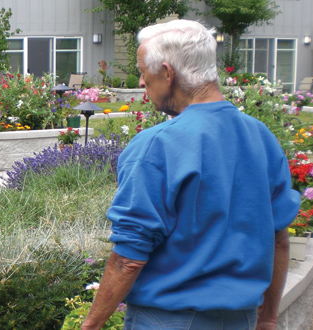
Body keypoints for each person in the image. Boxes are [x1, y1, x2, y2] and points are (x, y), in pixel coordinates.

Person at [82, 20, 300, 330]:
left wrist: (90, 325)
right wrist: (268, 319)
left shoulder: (157, 144)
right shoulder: (261, 137)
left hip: (169, 319)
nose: (142, 83)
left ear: (168, 73)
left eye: (144, 73)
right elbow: (279, 240)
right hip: (242, 318)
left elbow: (129, 257)